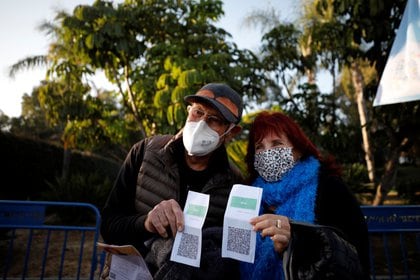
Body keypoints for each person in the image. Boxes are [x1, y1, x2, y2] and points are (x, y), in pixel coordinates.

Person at [100, 83, 243, 279]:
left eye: (214, 120)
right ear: (188, 112)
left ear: (231, 132)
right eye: (198, 112)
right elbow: (109, 226)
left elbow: (231, 256)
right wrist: (146, 223)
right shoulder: (144, 152)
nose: (201, 124)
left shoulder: (235, 184)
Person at [240, 110, 370, 279]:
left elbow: (354, 253)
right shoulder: (248, 194)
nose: (267, 153)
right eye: (259, 147)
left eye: (277, 144)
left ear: (298, 149)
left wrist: (297, 240)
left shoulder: (329, 187)